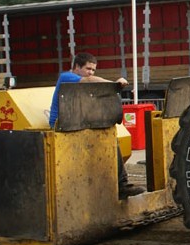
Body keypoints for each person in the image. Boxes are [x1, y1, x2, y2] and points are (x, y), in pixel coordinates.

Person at [49, 52, 146, 198]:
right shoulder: (66, 77)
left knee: (110, 140)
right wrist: (115, 84)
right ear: (76, 67)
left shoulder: (84, 86)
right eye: (88, 68)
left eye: (93, 70)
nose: (91, 72)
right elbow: (89, 80)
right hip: (60, 126)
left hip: (77, 124)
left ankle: (120, 185)